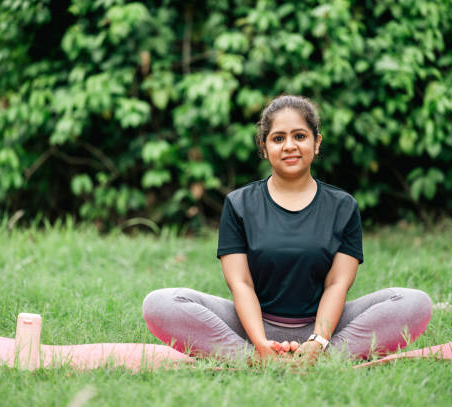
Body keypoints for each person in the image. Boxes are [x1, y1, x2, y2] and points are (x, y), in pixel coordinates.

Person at [142, 95, 432, 363]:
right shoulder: (239, 204)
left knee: (413, 302)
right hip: (250, 325)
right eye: (278, 138)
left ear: (316, 143)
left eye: (300, 136)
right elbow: (240, 283)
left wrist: (318, 340)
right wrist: (259, 342)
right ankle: (254, 359)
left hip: (326, 326)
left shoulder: (343, 206)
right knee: (161, 303)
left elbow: (337, 285)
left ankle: (321, 358)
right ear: (264, 147)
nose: (290, 146)